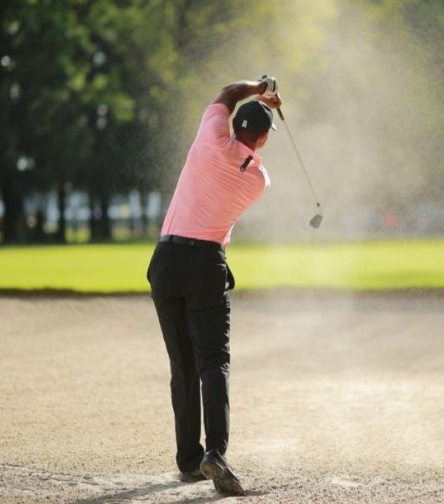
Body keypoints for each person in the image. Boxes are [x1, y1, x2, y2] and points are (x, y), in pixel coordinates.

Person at [146, 76, 281, 496]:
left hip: (165, 261)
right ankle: (215, 454)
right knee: (213, 361)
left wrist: (260, 87)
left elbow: (226, 93)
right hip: (205, 264)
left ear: (232, 124)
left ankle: (189, 458)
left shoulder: (208, 137)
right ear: (262, 139)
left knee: (183, 364)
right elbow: (248, 156)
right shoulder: (258, 180)